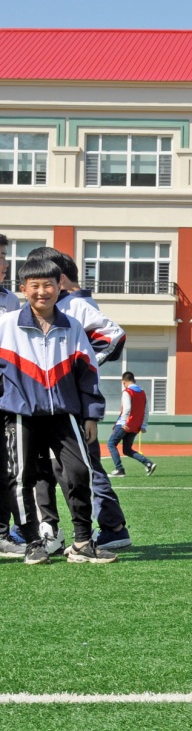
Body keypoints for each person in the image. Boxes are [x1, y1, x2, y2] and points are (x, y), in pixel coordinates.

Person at [0, 256, 114, 563]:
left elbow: (88, 372)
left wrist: (91, 414)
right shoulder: (6, 326)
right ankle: (33, 542)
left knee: (80, 473)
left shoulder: (72, 326)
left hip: (66, 415)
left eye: (48, 285)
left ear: (58, 287)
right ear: (23, 289)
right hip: (22, 415)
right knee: (21, 478)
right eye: (34, 286)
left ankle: (82, 542)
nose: (42, 292)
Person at [23, 247, 133, 552]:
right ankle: (50, 529)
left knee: (83, 467)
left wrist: (77, 365)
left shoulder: (75, 305)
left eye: (46, 279)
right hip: (45, 403)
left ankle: (112, 526)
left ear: (59, 280)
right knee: (46, 467)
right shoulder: (58, 306)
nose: (40, 289)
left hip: (72, 403)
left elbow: (114, 336)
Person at [0, 234, 27, 558]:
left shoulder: (11, 301)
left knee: (5, 468)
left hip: (3, 395)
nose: (4, 263)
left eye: (5, 256)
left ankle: (2, 533)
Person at [105, 372, 156, 476]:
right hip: (136, 426)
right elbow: (146, 410)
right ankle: (148, 463)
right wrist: (144, 425)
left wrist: (123, 422)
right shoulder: (142, 392)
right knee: (127, 449)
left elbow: (127, 408)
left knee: (111, 444)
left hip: (125, 424)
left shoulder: (127, 392)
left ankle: (119, 469)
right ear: (134, 380)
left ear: (123, 382)